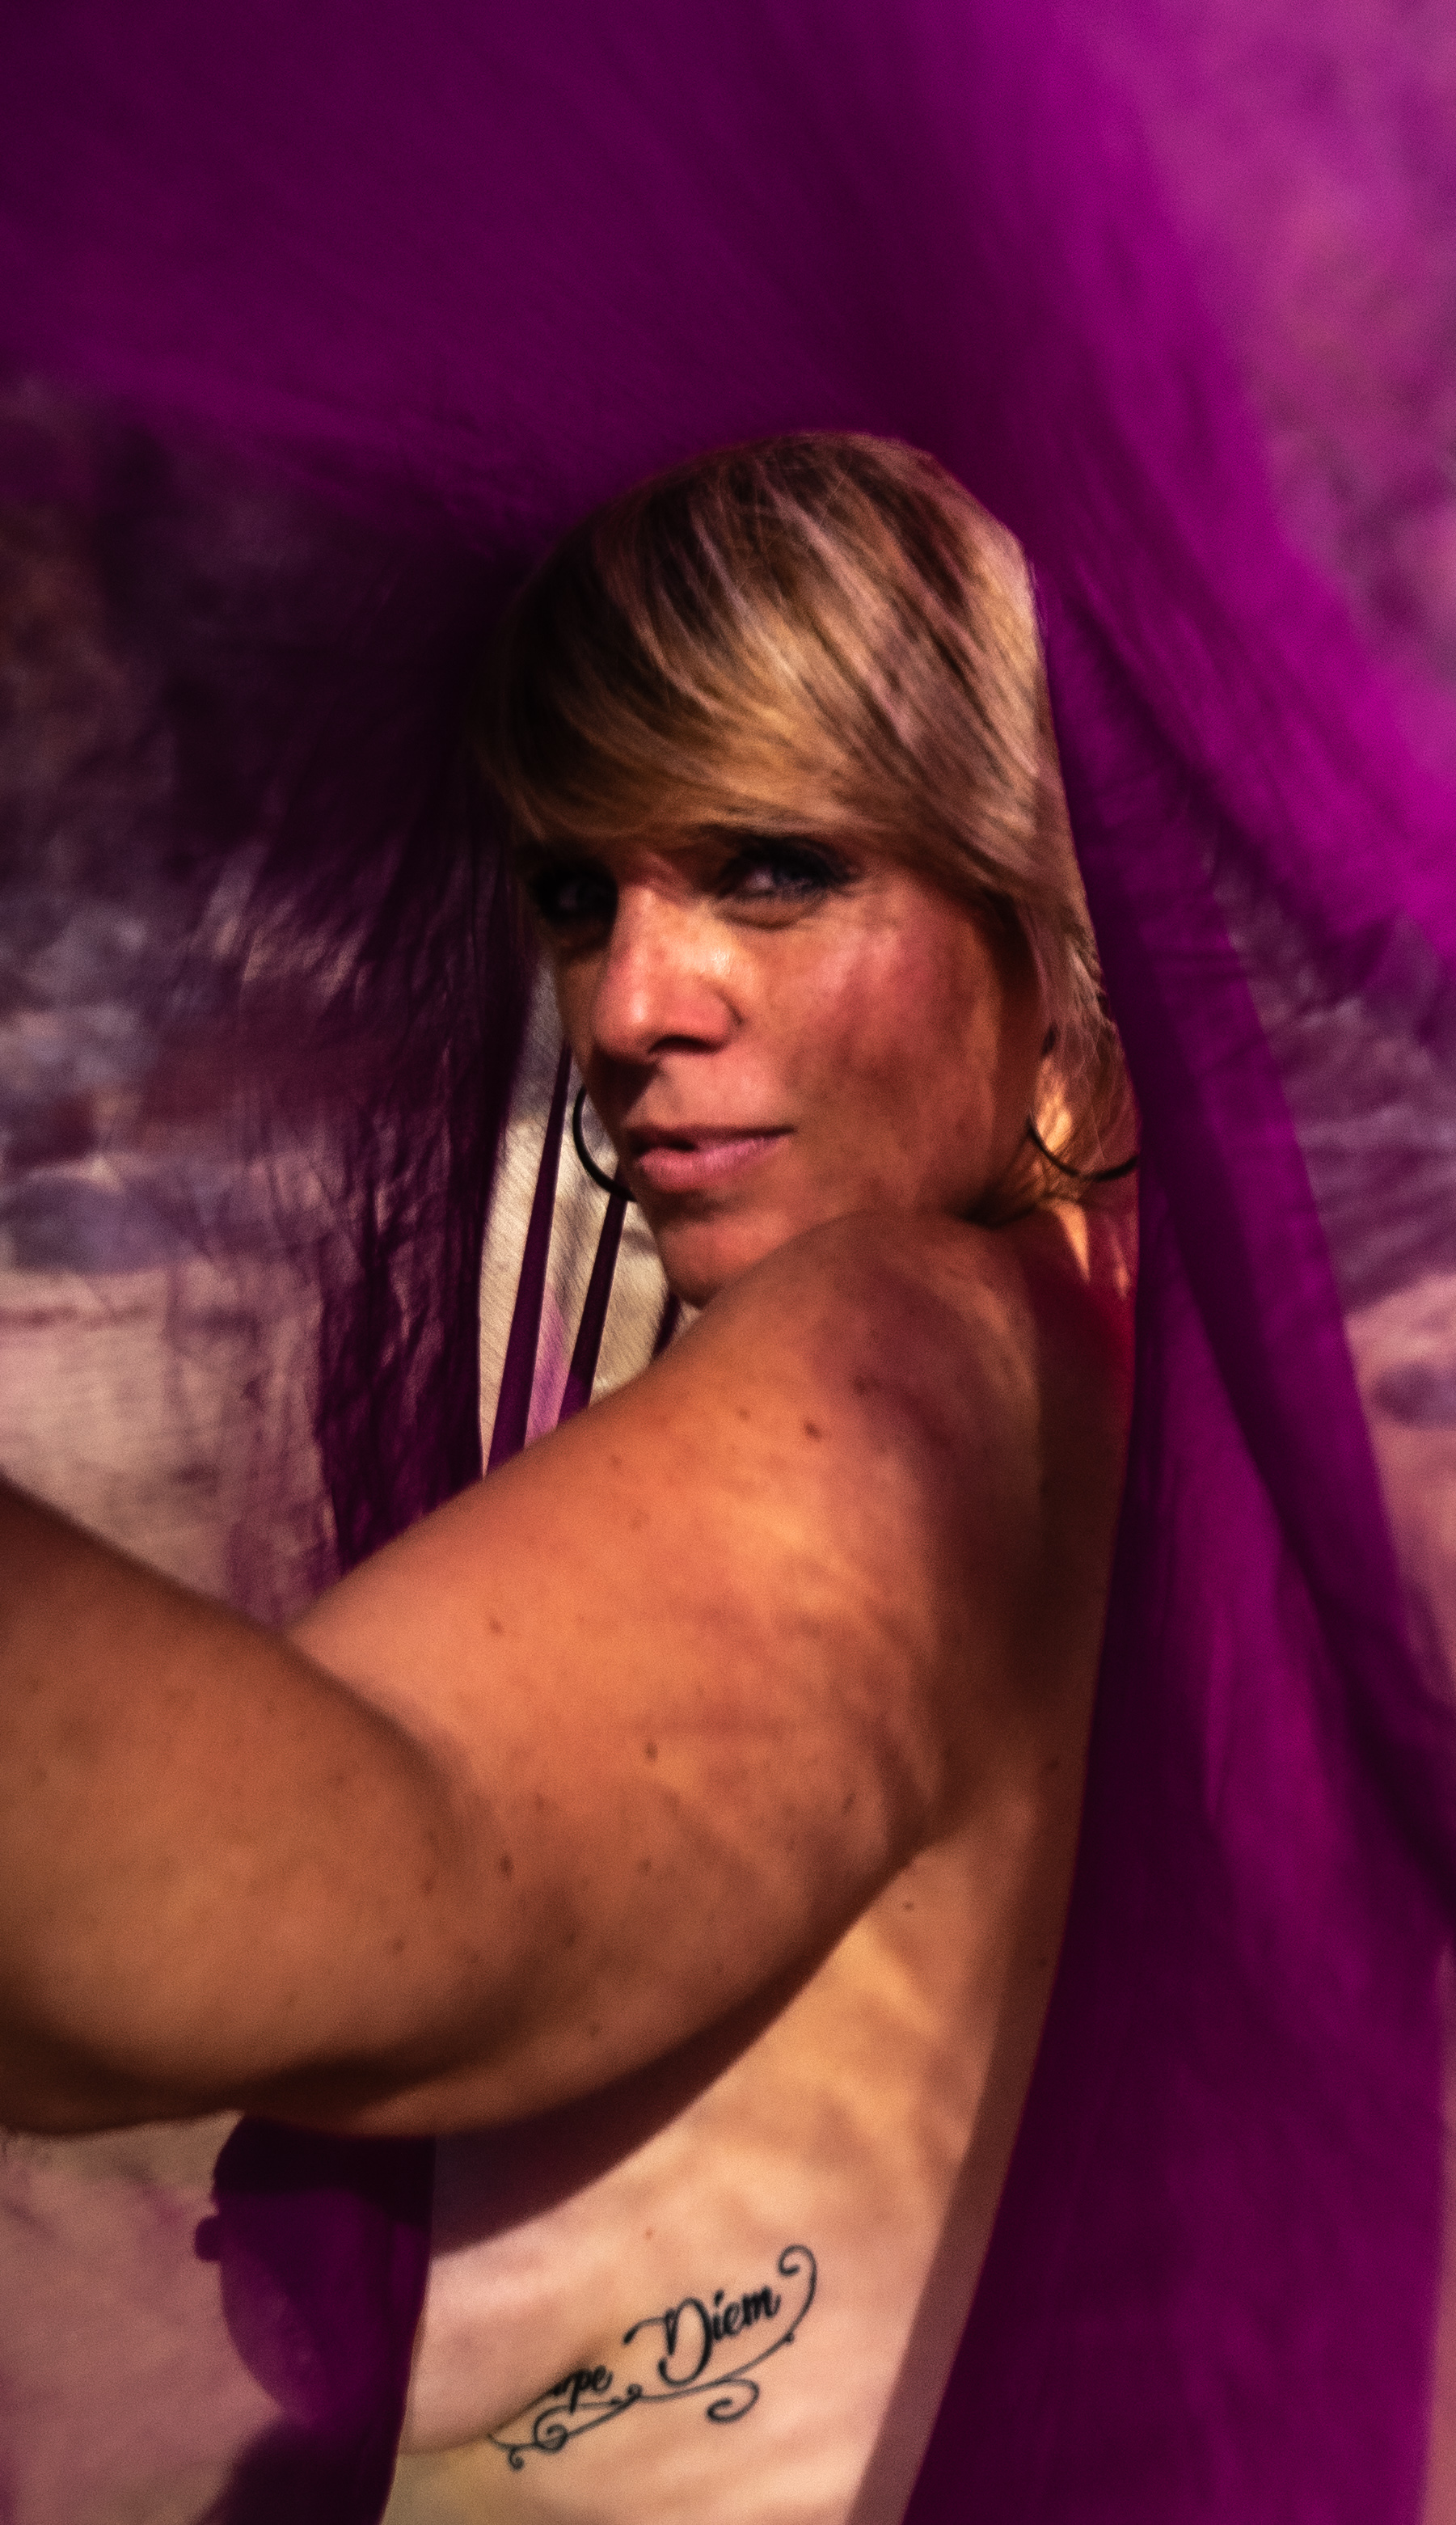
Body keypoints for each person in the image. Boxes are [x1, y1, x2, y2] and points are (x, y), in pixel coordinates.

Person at [0, 433, 1139, 2524]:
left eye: (772, 869)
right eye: (575, 889)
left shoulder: (916, 1363)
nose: (627, 1004)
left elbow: (305, 1899)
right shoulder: (1113, 1352)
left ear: (1033, 889)